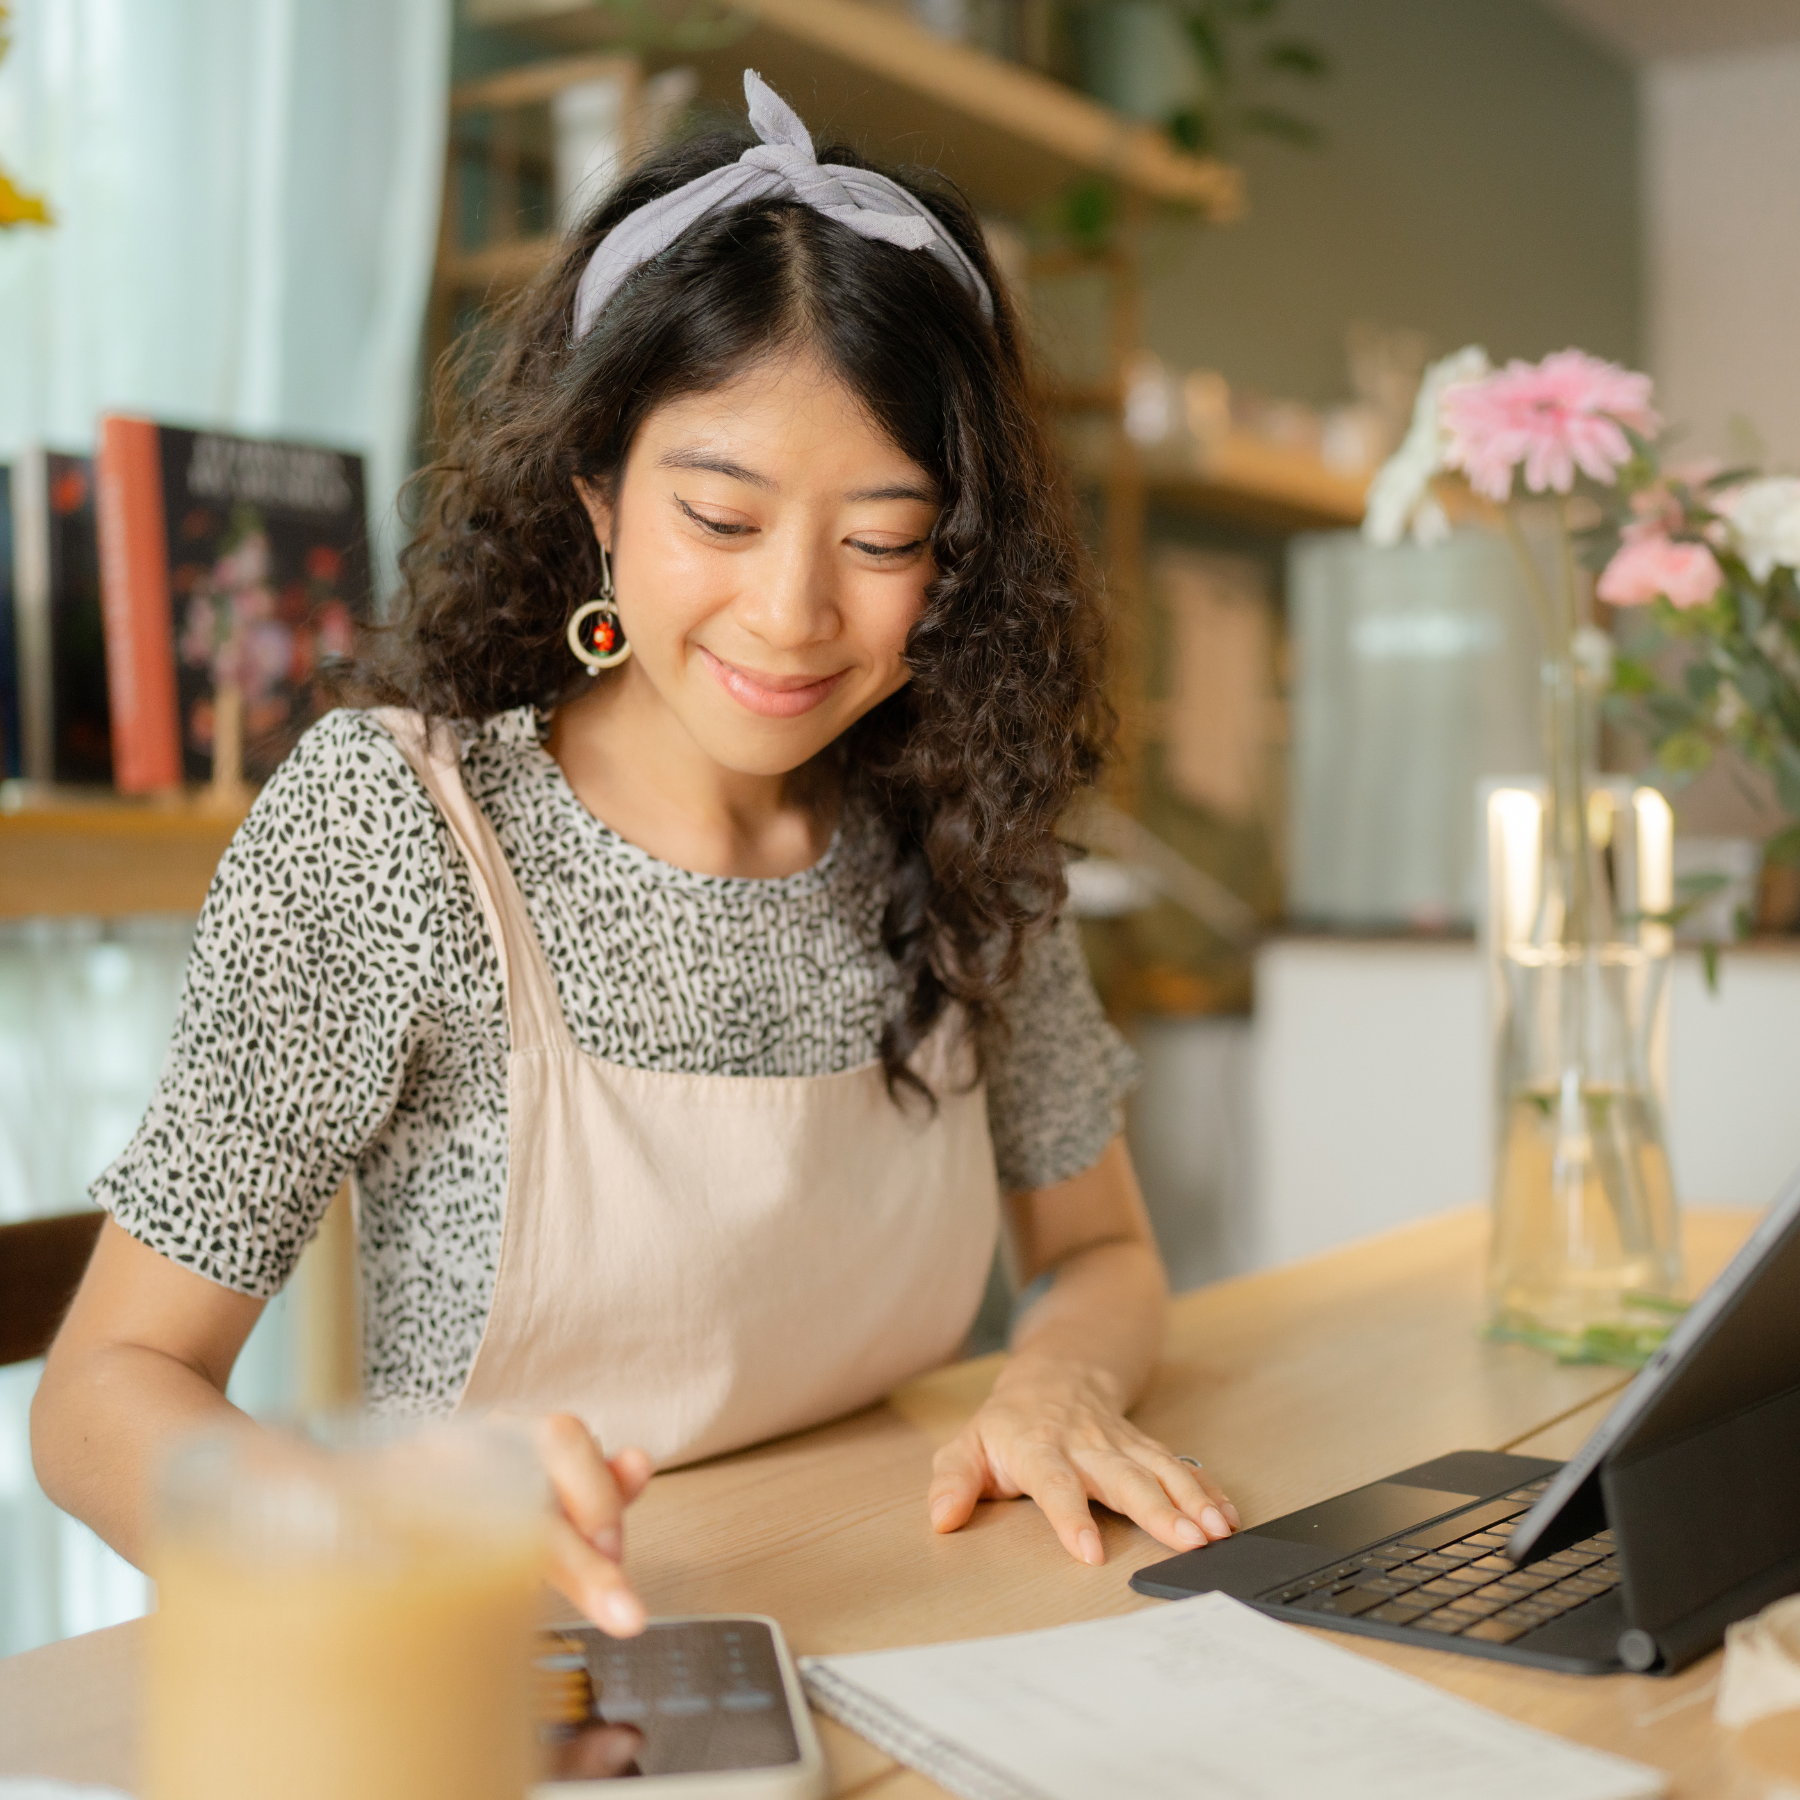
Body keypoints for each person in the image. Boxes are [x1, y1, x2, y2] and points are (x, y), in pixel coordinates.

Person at [32, 73, 1238, 1636]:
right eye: (721, 519)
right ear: (597, 489)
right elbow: (100, 1397)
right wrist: (364, 1528)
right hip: (519, 1667)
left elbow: (1099, 1249)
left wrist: (1060, 1385)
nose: (794, 614)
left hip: (915, 1612)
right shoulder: (400, 831)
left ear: (958, 558)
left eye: (882, 540)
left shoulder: (962, 824)